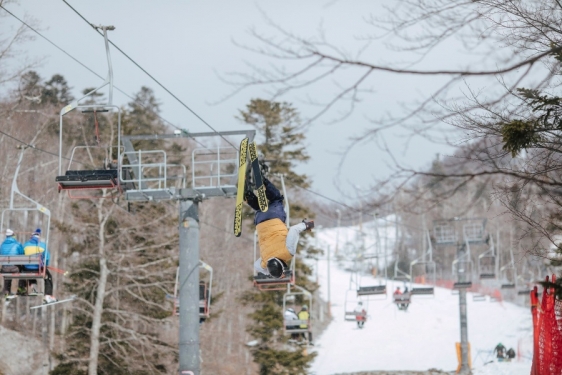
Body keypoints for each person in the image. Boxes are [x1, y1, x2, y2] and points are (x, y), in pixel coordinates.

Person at [247, 178, 314, 278]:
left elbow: (294, 230)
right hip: (259, 221)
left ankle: (263, 182)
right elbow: (256, 266)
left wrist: (306, 225)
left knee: (276, 198)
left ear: (282, 266)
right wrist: (268, 273)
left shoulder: (288, 252)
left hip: (274, 216)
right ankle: (248, 196)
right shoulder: (264, 261)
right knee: (259, 207)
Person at [23, 229, 56, 304]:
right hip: (38, 268)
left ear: (31, 237)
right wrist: (45, 265)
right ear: (39, 237)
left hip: (27, 268)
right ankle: (48, 295)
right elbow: (47, 258)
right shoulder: (42, 245)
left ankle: (34, 287)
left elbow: (21, 255)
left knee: (30, 271)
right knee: (48, 277)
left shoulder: (25, 245)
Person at [0, 229, 24, 296]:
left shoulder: (2, 245)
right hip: (15, 268)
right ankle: (21, 288)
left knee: (7, 273)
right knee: (23, 270)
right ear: (13, 235)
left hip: (4, 268)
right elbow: (22, 254)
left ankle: (6, 291)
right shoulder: (17, 244)